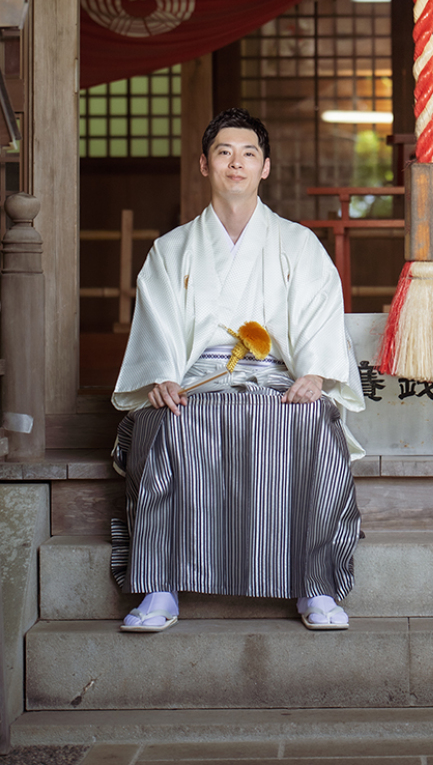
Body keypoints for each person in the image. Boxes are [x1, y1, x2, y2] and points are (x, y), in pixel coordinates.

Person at [111, 107, 365, 632]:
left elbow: (320, 315)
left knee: (312, 422)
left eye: (249, 153)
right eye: (224, 152)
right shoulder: (171, 249)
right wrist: (162, 375)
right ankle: (159, 586)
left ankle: (314, 586)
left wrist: (314, 375)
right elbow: (157, 324)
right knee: (166, 422)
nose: (236, 163)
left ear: (265, 167)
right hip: (194, 382)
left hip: (277, 381)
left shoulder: (297, 244)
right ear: (205, 165)